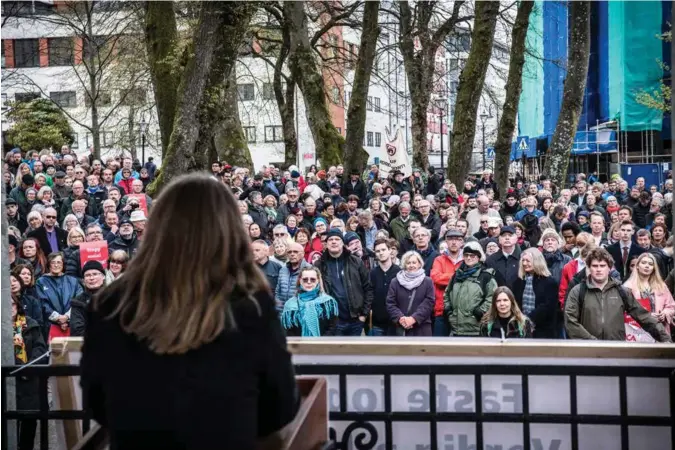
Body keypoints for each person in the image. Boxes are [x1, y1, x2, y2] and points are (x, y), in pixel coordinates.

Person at [81, 174, 299, 449]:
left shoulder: (109, 303)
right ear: (228, 230)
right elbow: (278, 407)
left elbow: (97, 403)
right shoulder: (250, 305)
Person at [564, 248, 670, 342]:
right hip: (588, 350)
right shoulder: (578, 291)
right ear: (589, 268)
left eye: (602, 266)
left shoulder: (621, 291)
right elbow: (570, 321)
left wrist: (665, 339)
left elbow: (644, 317)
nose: (599, 269)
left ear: (609, 268)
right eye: (595, 266)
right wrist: (592, 341)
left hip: (616, 349)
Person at [315, 229, 373, 336]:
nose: (333, 242)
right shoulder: (319, 265)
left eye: (337, 239)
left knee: (355, 352)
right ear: (326, 244)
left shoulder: (356, 262)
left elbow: (368, 288)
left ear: (342, 243)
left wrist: (363, 315)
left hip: (355, 321)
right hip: (333, 322)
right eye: (330, 239)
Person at [11, 296, 47, 450]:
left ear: (17, 305)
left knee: (29, 424)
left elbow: (41, 349)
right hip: (10, 380)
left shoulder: (30, 323)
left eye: (12, 303)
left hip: (30, 381)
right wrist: (20, 367)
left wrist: (30, 366)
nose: (9, 306)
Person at [444, 241, 497, 336]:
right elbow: (447, 294)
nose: (468, 258)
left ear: (479, 257)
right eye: (466, 255)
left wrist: (481, 311)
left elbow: (492, 297)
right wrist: (448, 310)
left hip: (476, 328)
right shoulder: (457, 275)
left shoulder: (485, 276)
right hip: (456, 327)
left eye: (472, 256)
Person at [511, 248, 559, 338]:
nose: (524, 263)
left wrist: (528, 319)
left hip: (543, 330)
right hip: (521, 328)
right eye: (523, 261)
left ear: (537, 261)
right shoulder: (518, 282)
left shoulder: (549, 282)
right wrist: (521, 320)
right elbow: (515, 303)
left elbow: (547, 307)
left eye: (528, 261)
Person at [623, 253, 675, 336]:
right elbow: (624, 311)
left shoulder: (661, 285)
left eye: (650, 264)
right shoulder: (628, 286)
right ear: (637, 266)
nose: (647, 266)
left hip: (660, 330)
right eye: (643, 263)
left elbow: (671, 306)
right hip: (637, 331)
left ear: (654, 268)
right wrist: (647, 316)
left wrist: (665, 313)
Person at [386, 251, 435, 336]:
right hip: (401, 329)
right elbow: (390, 303)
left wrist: (414, 319)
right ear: (404, 265)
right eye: (408, 263)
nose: (411, 265)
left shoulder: (427, 281)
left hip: (422, 329)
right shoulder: (395, 282)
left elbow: (429, 302)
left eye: (414, 262)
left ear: (419, 264)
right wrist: (401, 319)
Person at [35, 252, 82, 339]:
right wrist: (58, 318)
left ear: (63, 264)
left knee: (73, 352)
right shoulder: (41, 282)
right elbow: (41, 303)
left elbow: (79, 300)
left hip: (72, 325)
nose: (56, 265)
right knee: (54, 352)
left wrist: (67, 317)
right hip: (50, 326)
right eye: (53, 262)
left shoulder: (73, 281)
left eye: (59, 262)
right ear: (49, 264)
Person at [281, 267, 338, 336]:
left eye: (313, 279)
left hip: (324, 344)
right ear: (300, 281)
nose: (309, 282)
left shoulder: (328, 303)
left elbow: (332, 328)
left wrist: (320, 344)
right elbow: (288, 329)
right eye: (305, 279)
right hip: (298, 345)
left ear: (318, 281)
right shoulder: (290, 305)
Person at [430, 230, 464, 337]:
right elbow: (436, 278)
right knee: (438, 347)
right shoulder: (439, 260)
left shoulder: (467, 259)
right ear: (446, 241)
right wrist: (458, 276)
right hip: (441, 309)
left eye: (457, 239)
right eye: (450, 239)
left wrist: (446, 276)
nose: (454, 242)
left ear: (462, 242)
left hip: (462, 311)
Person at [369, 239, 401, 336]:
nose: (381, 253)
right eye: (378, 251)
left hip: (396, 322)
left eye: (383, 250)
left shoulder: (399, 272)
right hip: (377, 323)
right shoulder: (372, 273)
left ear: (389, 250)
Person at [70, 261, 106, 337]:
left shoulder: (115, 297)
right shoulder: (77, 302)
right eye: (87, 275)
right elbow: (77, 331)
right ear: (83, 281)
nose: (91, 278)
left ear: (103, 276)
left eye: (95, 274)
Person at [275, 242, 312, 312]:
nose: (292, 254)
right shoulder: (283, 270)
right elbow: (278, 292)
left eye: (295, 252)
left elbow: (312, 295)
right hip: (282, 313)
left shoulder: (310, 269)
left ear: (303, 254)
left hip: (300, 313)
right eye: (289, 252)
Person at [485, 226, 521, 291]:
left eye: (510, 235)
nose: (507, 238)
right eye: (504, 235)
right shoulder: (490, 260)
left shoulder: (523, 259)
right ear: (499, 239)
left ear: (516, 238)